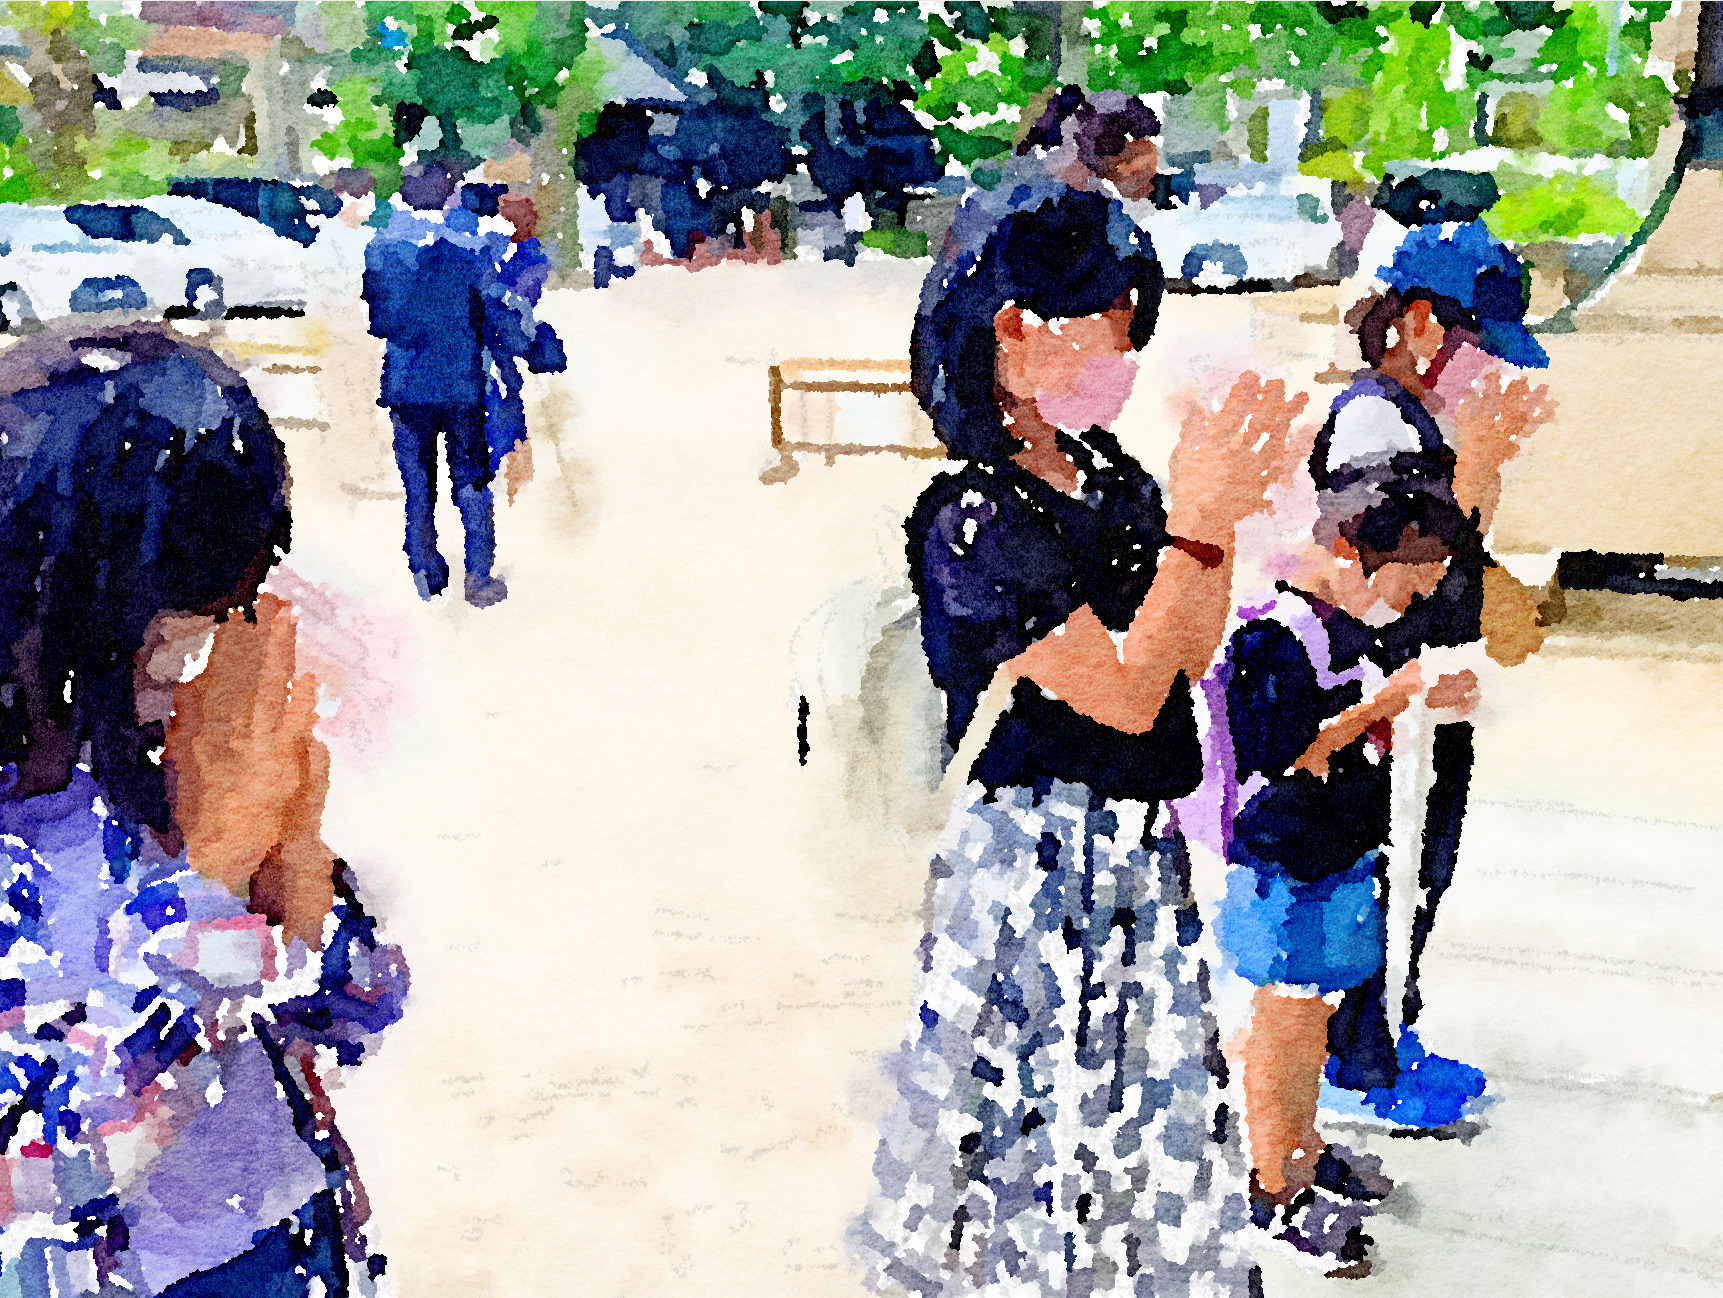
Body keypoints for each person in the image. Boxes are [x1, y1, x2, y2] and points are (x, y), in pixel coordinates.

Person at [850, 188, 1306, 1296]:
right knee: (1041, 1105)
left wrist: (1207, 528)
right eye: (1110, 327)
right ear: (1014, 327)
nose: (1124, 360)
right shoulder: (973, 518)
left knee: (1140, 1091)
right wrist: (1201, 524)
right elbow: (1121, 692)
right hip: (1034, 854)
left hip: (1137, 849)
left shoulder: (1111, 477)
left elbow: (1184, 650)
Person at [0, 322, 407, 1296]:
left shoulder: (165, 767)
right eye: (173, 615)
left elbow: (354, 1012)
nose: (205, 648)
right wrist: (212, 884)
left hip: (285, 1245)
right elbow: (42, 1170)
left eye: (230, 603)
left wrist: (297, 870)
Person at [1308, 222, 1554, 1124]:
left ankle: (1382, 1036)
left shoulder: (1411, 417)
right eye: (1474, 345)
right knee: (1389, 870)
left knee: (1417, 867)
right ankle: (1358, 1060)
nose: (1482, 369)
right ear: (1416, 324)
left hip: (1416, 693)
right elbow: (1413, 562)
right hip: (1382, 698)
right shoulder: (1374, 422)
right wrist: (1480, 468)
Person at [362, 164, 522, 607]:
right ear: (449, 194)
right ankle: (478, 575)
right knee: (471, 482)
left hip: (408, 386)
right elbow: (492, 315)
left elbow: (379, 324)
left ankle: (427, 569)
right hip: (460, 383)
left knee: (419, 485)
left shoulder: (383, 251)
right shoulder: (471, 252)